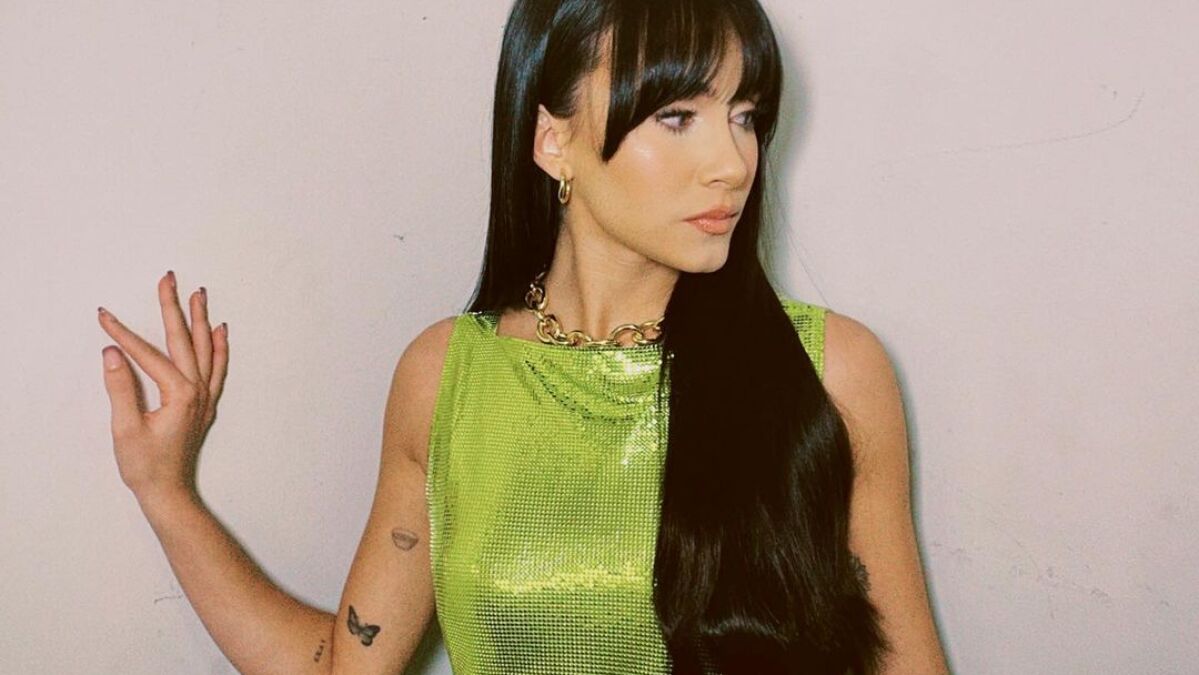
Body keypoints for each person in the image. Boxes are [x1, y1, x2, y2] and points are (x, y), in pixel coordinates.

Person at [97, 1, 948, 673]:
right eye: (677, 116)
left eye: (745, 114)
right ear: (552, 141)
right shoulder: (445, 376)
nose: (731, 162)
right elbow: (344, 667)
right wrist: (164, 490)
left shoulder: (828, 372)